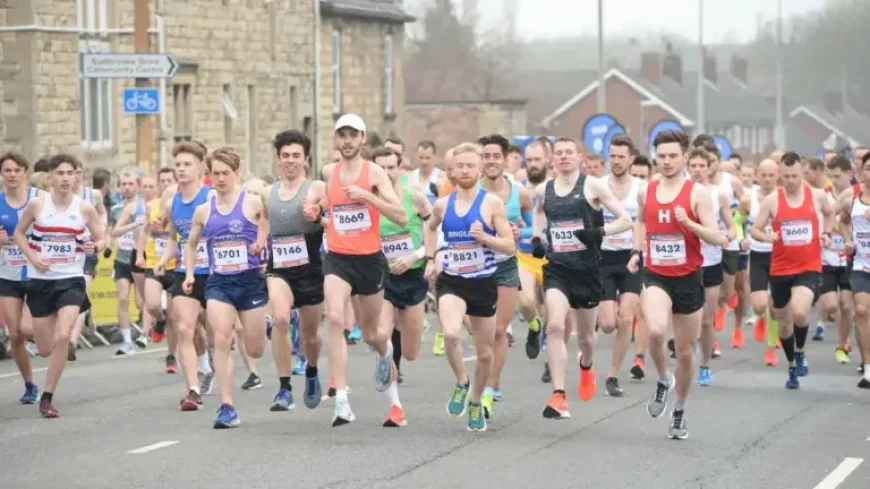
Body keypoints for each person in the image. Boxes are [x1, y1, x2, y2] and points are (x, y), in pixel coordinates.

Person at [626, 130, 727, 439]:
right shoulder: (647, 191)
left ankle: (680, 409)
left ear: (685, 157)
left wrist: (689, 223)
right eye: (662, 156)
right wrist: (636, 251)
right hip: (656, 275)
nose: (667, 161)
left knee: (684, 352)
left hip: (689, 277)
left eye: (673, 156)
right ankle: (662, 378)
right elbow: (641, 221)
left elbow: (717, 237)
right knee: (656, 330)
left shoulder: (698, 194)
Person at [314, 114, 408, 427]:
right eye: (342, 135)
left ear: (363, 139)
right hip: (338, 257)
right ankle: (341, 400)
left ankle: (385, 355)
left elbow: (401, 216)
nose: (347, 141)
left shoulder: (375, 173)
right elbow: (327, 207)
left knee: (372, 334)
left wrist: (367, 196)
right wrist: (315, 211)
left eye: (353, 135)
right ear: (336, 139)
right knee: (335, 318)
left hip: (369, 260)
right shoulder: (329, 172)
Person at [532, 137, 631, 418]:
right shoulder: (543, 190)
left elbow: (626, 220)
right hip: (558, 269)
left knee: (587, 337)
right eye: (559, 153)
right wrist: (537, 237)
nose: (563, 157)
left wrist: (598, 233)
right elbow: (539, 211)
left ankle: (586, 366)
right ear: (553, 159)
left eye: (569, 152)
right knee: (555, 325)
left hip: (588, 271)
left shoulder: (593, 186)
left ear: (579, 158)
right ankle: (558, 396)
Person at [423, 142, 516, 432]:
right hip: (452, 280)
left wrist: (485, 238)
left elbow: (510, 246)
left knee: (485, 353)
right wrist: (431, 258)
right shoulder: (443, 204)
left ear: (479, 170)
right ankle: (462, 381)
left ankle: (475, 400)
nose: (464, 170)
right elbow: (429, 227)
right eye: (459, 166)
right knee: (451, 334)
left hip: (483, 282)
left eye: (470, 166)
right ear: (452, 171)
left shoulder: (491, 204)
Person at [14, 154, 105, 418]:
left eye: (70, 173)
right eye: (60, 173)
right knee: (45, 349)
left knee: (63, 336)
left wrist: (94, 247)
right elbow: (19, 233)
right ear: (49, 177)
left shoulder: (84, 208)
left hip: (71, 279)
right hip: (41, 280)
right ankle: (52, 348)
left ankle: (47, 397)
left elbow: (101, 238)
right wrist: (33, 258)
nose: (66, 179)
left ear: (76, 177)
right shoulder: (37, 205)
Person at [183, 147, 268, 428]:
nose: (220, 179)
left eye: (226, 173)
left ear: (236, 173)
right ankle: (227, 406)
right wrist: (190, 273)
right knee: (221, 338)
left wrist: (261, 244)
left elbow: (268, 223)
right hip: (219, 282)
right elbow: (191, 245)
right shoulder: (204, 211)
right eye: (215, 174)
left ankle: (266, 323)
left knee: (255, 349)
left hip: (250, 281)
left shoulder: (252, 203)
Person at [750, 151, 833, 389]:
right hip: (780, 269)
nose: (790, 181)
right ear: (780, 175)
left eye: (795, 176)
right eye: (785, 176)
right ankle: (791, 365)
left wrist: (826, 233)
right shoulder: (772, 200)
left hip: (808, 266)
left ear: (802, 172)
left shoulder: (816, 196)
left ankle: (800, 351)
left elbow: (830, 213)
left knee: (800, 310)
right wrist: (766, 236)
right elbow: (755, 229)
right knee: (784, 324)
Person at [263, 130, 326, 411]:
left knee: (310, 336)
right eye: (285, 155)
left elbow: (332, 217)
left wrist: (318, 213)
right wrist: (257, 242)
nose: (290, 160)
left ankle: (311, 370)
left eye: (296, 156)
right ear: (278, 160)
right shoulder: (268, 193)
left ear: (306, 160)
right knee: (280, 319)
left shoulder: (317, 188)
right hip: (280, 268)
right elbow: (263, 223)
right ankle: (284, 388)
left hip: (311, 268)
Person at [371, 146, 432, 426]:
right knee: (381, 336)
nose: (386, 173)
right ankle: (395, 406)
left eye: (390, 167)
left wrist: (414, 257)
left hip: (413, 277)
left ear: (400, 169)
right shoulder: (368, 202)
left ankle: (401, 332)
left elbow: (435, 234)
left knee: (411, 352)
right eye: (380, 168)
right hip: (383, 279)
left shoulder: (415, 198)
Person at [155, 141, 215, 410]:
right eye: (178, 164)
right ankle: (193, 390)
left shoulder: (211, 197)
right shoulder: (173, 203)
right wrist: (163, 260)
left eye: (187, 164)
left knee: (218, 332)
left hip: (214, 272)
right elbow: (173, 238)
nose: (181, 169)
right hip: (185, 271)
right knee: (183, 328)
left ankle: (212, 362)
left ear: (200, 167)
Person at [477, 133, 533, 417]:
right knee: (480, 331)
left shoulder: (518, 192)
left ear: (505, 159)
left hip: (506, 264)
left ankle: (490, 389)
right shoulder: (471, 190)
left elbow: (532, 225)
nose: (491, 161)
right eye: (486, 156)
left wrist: (521, 232)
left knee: (499, 329)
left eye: (496, 156)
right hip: (476, 265)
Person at [597, 136, 645, 397]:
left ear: (631, 159)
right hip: (603, 258)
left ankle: (613, 376)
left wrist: (637, 252)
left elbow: (641, 224)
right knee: (607, 324)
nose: (616, 161)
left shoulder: (641, 189)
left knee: (626, 318)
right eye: (612, 156)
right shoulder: (598, 186)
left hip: (630, 258)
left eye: (621, 157)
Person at [0, 152, 41, 403]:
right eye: (7, 170)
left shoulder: (40, 199)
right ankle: (29, 384)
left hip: (37, 273)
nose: (12, 175)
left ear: (25, 172)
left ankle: (57, 338)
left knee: (28, 329)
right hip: (8, 274)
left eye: (17, 170)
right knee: (15, 334)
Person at [136, 167, 179, 372]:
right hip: (154, 263)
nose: (165, 184)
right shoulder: (151, 206)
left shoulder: (181, 205)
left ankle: (171, 357)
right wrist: (139, 254)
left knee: (174, 317)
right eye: (162, 181)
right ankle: (159, 322)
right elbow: (144, 232)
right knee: (152, 305)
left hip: (175, 265)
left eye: (169, 181)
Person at [109, 170, 148, 355]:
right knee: (123, 299)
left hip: (139, 258)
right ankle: (126, 342)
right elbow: (112, 231)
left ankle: (148, 329)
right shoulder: (115, 209)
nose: (127, 187)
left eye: (131, 184)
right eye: (123, 184)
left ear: (138, 186)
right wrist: (108, 246)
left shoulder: (144, 206)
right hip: (122, 259)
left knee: (141, 302)